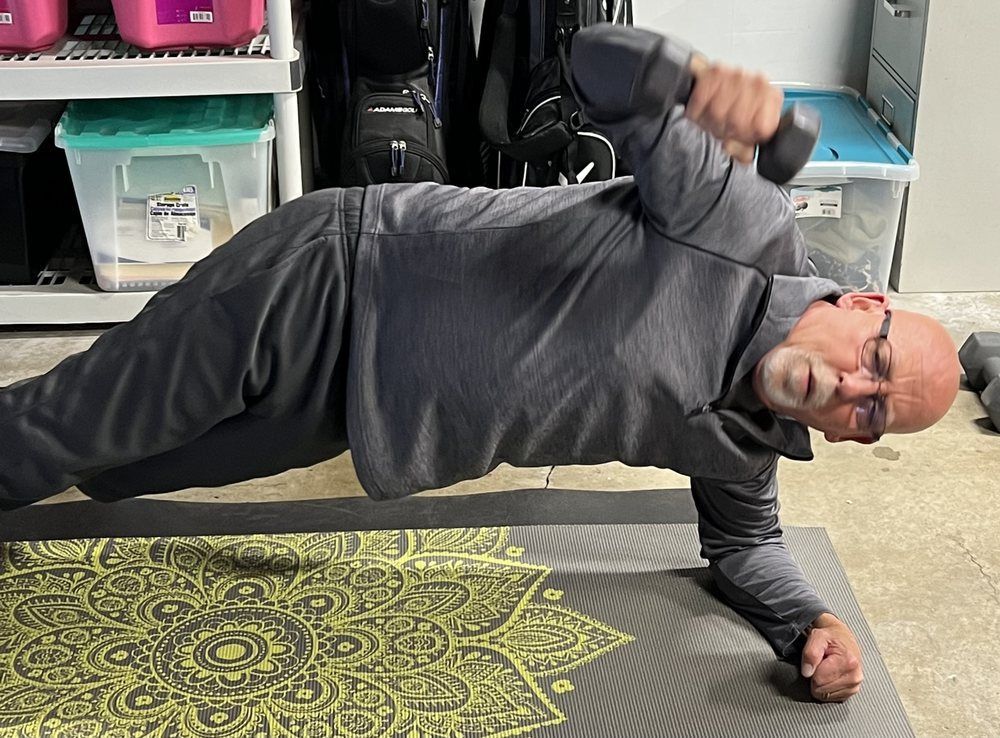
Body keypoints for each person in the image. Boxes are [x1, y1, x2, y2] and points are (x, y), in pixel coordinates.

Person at [0, 25, 959, 704]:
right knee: (51, 432)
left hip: (356, 415)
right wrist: (694, 81)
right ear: (859, 303)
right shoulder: (744, 227)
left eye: (873, 413)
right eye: (873, 359)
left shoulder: (744, 444)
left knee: (126, 472)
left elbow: (745, 548)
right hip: (328, 282)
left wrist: (811, 628)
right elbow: (588, 68)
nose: (853, 390)